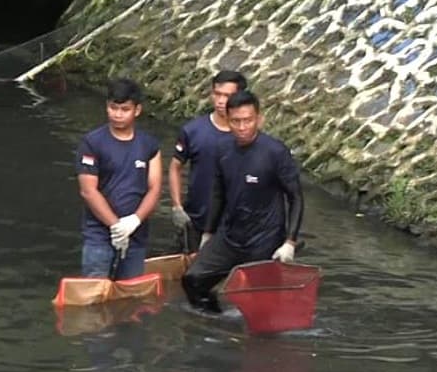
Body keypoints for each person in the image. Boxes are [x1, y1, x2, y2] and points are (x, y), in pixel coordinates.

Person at [181, 90, 305, 311]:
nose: (242, 127)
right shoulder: (223, 149)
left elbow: (295, 197)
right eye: (236, 121)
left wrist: (290, 242)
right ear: (227, 121)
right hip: (230, 235)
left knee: (259, 300)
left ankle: (261, 336)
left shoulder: (275, 152)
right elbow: (218, 192)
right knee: (193, 280)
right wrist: (208, 233)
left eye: (247, 120)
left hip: (264, 238)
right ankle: (213, 323)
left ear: (259, 119)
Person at [74, 77, 162, 280]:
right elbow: (88, 190)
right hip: (99, 235)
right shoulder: (92, 143)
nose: (118, 115)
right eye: (114, 108)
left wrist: (134, 220)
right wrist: (115, 226)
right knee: (94, 293)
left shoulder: (149, 145)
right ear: (107, 107)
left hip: (136, 235)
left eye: (124, 109)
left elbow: (155, 188)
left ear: (137, 110)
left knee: (131, 296)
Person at [168, 70, 247, 252]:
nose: (220, 101)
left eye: (227, 96)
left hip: (234, 224)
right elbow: (175, 167)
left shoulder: (247, 136)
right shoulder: (193, 131)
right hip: (196, 218)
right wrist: (177, 206)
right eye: (217, 94)